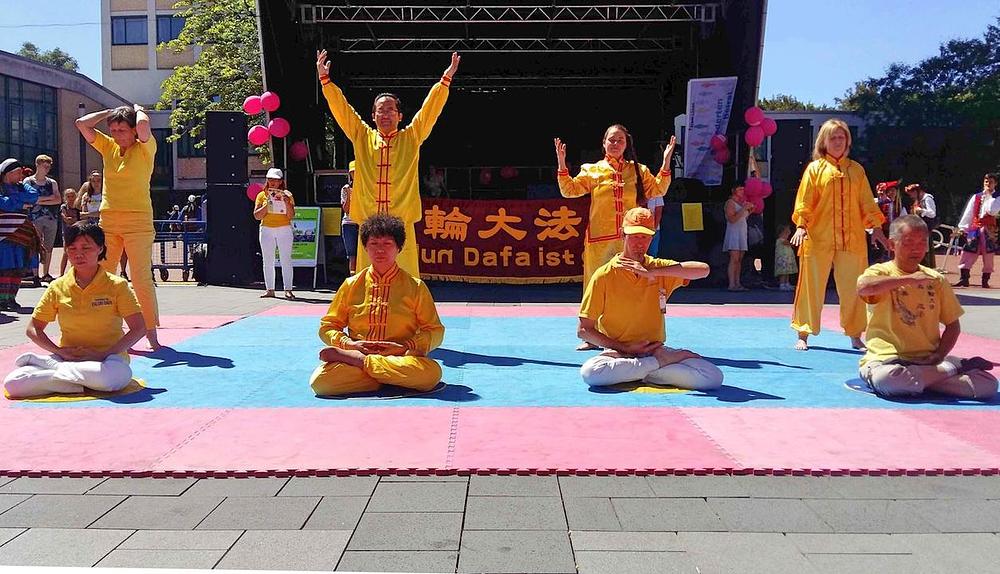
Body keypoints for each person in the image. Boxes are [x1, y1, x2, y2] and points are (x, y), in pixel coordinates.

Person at [317, 49, 460, 277]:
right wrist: (326, 82)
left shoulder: (411, 137)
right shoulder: (362, 136)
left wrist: (445, 80)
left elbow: (429, 111)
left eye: (391, 110)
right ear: (372, 116)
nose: (386, 114)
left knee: (406, 282)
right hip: (370, 223)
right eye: (380, 111)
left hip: (400, 223)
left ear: (400, 116)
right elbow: (343, 110)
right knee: (368, 282)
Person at [555, 125, 676, 350]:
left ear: (626, 144)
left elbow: (658, 189)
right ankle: (591, 336)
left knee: (628, 285)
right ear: (603, 143)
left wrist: (666, 161)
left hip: (627, 238)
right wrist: (562, 164)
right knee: (595, 284)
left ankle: (623, 333)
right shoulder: (592, 170)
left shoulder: (638, 170)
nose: (615, 143)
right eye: (611, 140)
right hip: (598, 239)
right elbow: (569, 190)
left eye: (620, 140)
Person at [578, 207, 723, 390]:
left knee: (713, 377)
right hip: (619, 352)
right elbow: (584, 330)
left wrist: (652, 272)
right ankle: (657, 367)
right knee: (591, 373)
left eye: (645, 237)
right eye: (635, 236)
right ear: (623, 235)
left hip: (655, 349)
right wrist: (625, 349)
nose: (640, 243)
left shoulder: (659, 268)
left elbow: (703, 270)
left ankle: (642, 371)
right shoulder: (604, 275)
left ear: (652, 238)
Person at [856, 214, 996, 400]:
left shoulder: (935, 279)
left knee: (987, 385)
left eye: (922, 243)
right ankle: (951, 368)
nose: (916, 249)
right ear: (891, 244)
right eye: (908, 242)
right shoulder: (879, 272)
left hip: (929, 362)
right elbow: (864, 287)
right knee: (889, 380)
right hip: (886, 361)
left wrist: (939, 356)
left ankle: (924, 379)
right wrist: (907, 279)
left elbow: (953, 325)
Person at [2, 222, 146, 399]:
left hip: (108, 360)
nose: (79, 254)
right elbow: (33, 329)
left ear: (100, 249)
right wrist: (60, 352)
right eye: (72, 248)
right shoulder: (57, 286)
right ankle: (68, 374)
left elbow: (139, 328)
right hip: (68, 358)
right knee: (13, 383)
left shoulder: (117, 285)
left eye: (86, 247)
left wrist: (103, 354)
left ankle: (54, 370)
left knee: (115, 377)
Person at [309, 213, 445, 396]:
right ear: (365, 247)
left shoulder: (416, 287)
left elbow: (435, 331)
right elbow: (328, 327)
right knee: (320, 382)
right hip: (360, 353)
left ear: (399, 247)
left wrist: (406, 346)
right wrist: (348, 344)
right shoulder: (351, 285)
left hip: (400, 358)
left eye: (387, 244)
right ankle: (388, 377)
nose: (380, 250)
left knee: (431, 373)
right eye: (374, 244)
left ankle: (365, 367)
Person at [789, 119, 888, 351]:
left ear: (847, 141)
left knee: (854, 288)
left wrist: (876, 229)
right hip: (818, 238)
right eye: (832, 137)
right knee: (810, 286)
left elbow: (866, 203)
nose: (837, 142)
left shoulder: (856, 170)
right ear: (824, 141)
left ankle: (854, 334)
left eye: (841, 137)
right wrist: (801, 226)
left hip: (852, 239)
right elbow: (804, 202)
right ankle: (803, 332)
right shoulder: (814, 169)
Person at [75, 105, 161, 349]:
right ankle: (110, 329)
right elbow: (82, 123)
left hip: (138, 221)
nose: (117, 135)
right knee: (104, 275)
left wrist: (139, 109)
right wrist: (108, 112)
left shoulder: (145, 148)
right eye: (113, 130)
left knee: (140, 278)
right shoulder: (107, 146)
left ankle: (151, 333)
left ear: (133, 130)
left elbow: (144, 125)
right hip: (109, 220)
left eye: (122, 130)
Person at [0, 159, 41, 312]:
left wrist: (21, 190)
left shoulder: (22, 186)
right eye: (17, 173)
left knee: (19, 267)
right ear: (8, 174)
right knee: (5, 267)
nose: (20, 175)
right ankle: (2, 300)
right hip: (4, 236)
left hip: (21, 234)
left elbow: (33, 196)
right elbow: (4, 204)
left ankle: (12, 299)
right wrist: (20, 203)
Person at [253, 168, 296, 299]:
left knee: (286, 259)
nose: (272, 182)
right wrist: (268, 204)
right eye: (270, 179)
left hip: (284, 229)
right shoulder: (261, 195)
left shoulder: (288, 195)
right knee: (267, 260)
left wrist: (287, 203)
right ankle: (270, 289)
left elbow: (291, 216)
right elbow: (256, 216)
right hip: (266, 229)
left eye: (275, 180)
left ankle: (288, 289)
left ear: (280, 182)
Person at [953, 173, 999, 288]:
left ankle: (985, 280)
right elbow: (969, 213)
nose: (988, 184)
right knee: (968, 251)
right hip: (975, 227)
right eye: (986, 181)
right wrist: (963, 227)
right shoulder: (976, 196)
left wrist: (989, 196)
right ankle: (964, 278)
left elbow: (992, 211)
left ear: (995, 184)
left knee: (988, 254)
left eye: (991, 182)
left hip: (989, 229)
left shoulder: (997, 197)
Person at [22, 155, 62, 285]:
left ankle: (46, 273)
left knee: (48, 246)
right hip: (34, 218)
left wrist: (40, 200)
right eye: (45, 166)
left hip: (51, 218)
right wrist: (48, 198)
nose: (47, 169)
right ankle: (35, 274)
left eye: (49, 166)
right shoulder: (28, 181)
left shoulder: (52, 182)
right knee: (35, 245)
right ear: (37, 165)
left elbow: (58, 199)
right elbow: (29, 200)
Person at [723, 184, 753, 291]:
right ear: (733, 190)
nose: (742, 191)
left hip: (742, 232)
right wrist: (743, 209)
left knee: (740, 259)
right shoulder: (730, 203)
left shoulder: (741, 203)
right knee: (734, 258)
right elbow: (732, 219)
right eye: (739, 189)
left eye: (743, 189)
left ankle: (738, 283)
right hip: (734, 233)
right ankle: (731, 284)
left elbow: (743, 218)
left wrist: (749, 210)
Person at [904, 183, 937, 269]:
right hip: (918, 229)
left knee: (924, 250)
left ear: (916, 191)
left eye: (912, 193)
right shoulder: (917, 200)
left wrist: (922, 211)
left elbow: (932, 213)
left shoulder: (927, 199)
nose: (911, 196)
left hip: (925, 229)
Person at [873, 180, 905, 263]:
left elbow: (904, 218)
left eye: (894, 191)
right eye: (890, 191)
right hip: (882, 230)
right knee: (880, 251)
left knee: (893, 250)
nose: (892, 193)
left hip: (894, 231)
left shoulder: (899, 204)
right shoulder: (880, 202)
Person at [341, 160, 359, 274]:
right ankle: (353, 278)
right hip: (349, 223)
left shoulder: (367, 188)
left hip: (363, 223)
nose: (355, 175)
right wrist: (349, 194)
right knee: (352, 254)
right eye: (353, 172)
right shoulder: (345, 188)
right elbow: (346, 210)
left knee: (366, 252)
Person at [58, 188, 81, 275]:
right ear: (65, 198)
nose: (71, 198)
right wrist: (73, 219)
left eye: (72, 196)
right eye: (68, 196)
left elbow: (80, 218)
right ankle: (61, 274)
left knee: (76, 252)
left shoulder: (78, 206)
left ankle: (74, 272)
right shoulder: (63, 207)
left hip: (78, 232)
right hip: (67, 232)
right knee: (66, 252)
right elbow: (66, 219)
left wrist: (73, 219)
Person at [774, 223, 798, 291]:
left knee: (787, 272)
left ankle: (787, 283)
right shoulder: (780, 240)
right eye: (786, 232)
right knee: (783, 273)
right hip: (783, 259)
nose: (787, 234)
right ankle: (782, 284)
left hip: (787, 259)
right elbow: (789, 244)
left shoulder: (785, 240)